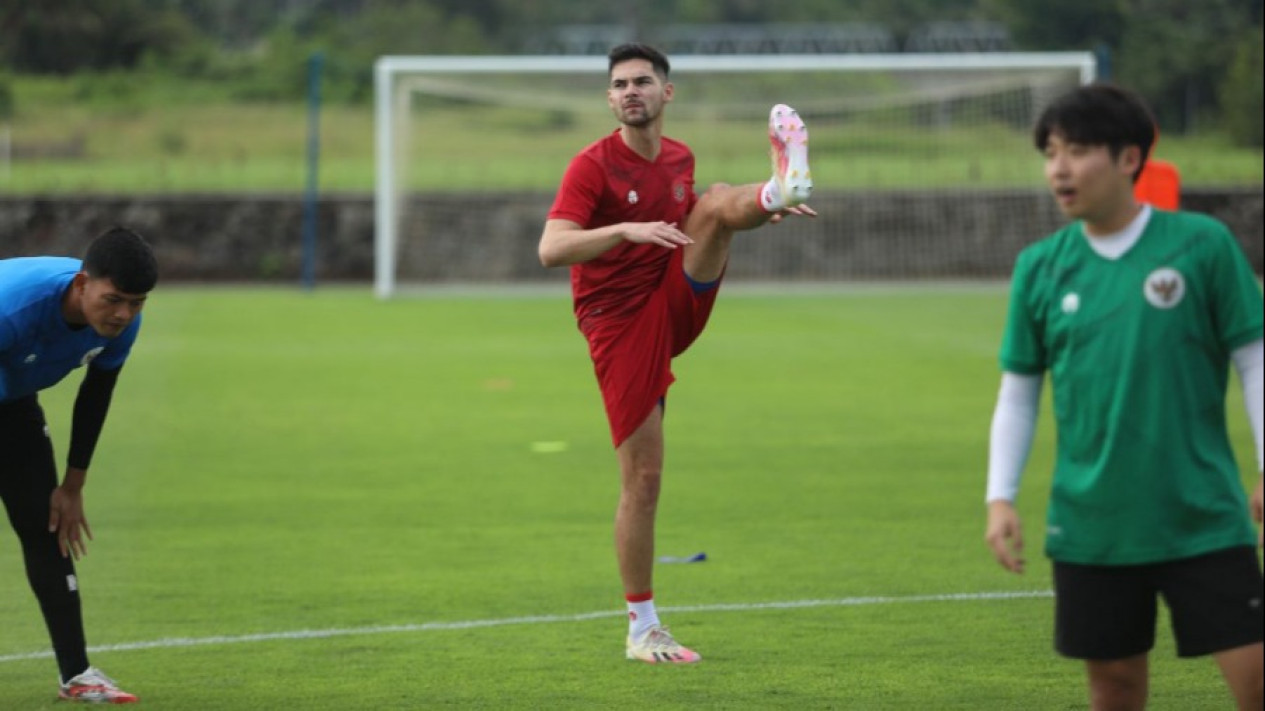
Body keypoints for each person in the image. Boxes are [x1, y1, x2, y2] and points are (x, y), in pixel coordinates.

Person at [984, 83, 1264, 711]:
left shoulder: (1203, 245)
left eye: (1078, 151)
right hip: (1093, 524)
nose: (1059, 169)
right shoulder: (1040, 267)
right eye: (1051, 153)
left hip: (1202, 514)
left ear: (1129, 158)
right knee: (1113, 688)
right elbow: (1020, 394)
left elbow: (1256, 359)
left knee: (1257, 679)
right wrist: (999, 496)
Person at [538, 43, 815, 664]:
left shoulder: (679, 156)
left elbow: (697, 220)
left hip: (671, 297)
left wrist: (756, 211)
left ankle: (776, 190)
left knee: (716, 201)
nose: (630, 92)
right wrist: (624, 230)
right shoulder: (591, 166)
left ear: (667, 93)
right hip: (618, 325)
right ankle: (642, 629)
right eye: (619, 85)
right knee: (644, 478)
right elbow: (551, 249)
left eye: (642, 81)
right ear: (609, 99)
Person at [1, 226, 157, 703]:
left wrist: (72, 486)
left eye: (136, 303)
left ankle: (77, 675)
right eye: (114, 300)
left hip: (12, 401)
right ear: (82, 284)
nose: (123, 314)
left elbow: (96, 393)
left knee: (47, 527)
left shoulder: (121, 326)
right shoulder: (13, 308)